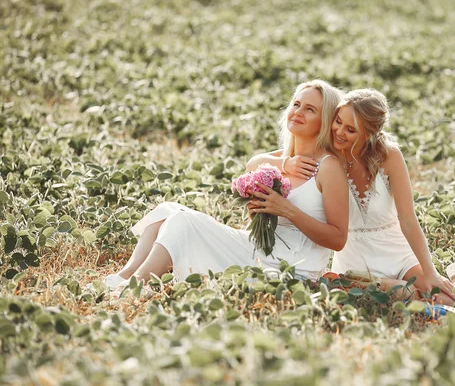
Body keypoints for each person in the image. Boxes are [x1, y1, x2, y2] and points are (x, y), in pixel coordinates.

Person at [103, 80, 348, 288]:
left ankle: (135, 287)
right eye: (296, 104)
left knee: (184, 221)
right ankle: (124, 277)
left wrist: (286, 210)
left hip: (289, 270)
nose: (298, 112)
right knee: (168, 210)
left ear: (324, 121)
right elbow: (254, 163)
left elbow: (338, 239)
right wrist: (269, 195)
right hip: (257, 250)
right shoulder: (283, 158)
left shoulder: (328, 167)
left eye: (310, 109)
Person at [250, 89, 455, 305]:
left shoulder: (389, 156)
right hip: (355, 262)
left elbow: (408, 220)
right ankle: (421, 290)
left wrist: (430, 273)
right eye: (337, 122)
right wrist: (286, 163)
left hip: (397, 253)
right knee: (405, 297)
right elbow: (255, 162)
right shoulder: (328, 157)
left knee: (447, 300)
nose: (339, 132)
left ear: (369, 134)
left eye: (351, 130)